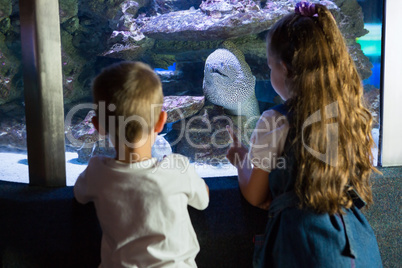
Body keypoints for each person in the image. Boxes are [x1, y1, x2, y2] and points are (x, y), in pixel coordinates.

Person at [226, 2, 382, 267]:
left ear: (285, 68)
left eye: (270, 66)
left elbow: (254, 194)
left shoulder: (274, 120)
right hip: (354, 245)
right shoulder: (350, 116)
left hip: (301, 247)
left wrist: (242, 158)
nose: (270, 73)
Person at [74, 61, 209, 268]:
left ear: (98, 126)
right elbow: (203, 199)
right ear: (161, 121)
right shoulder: (178, 168)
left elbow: (79, 194)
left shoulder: (96, 172)